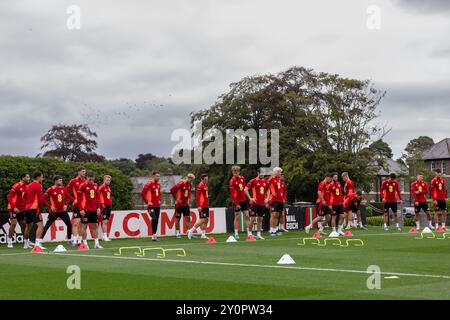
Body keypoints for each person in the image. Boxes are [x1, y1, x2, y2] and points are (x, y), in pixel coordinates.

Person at [42, 176, 73, 243]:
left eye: (61, 180)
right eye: (59, 180)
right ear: (55, 181)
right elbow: (43, 199)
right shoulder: (50, 189)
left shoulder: (63, 189)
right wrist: (50, 207)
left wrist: (66, 205)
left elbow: (69, 197)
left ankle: (69, 239)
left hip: (62, 211)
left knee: (69, 225)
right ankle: (39, 241)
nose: (61, 182)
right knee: (47, 226)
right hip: (54, 211)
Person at [24, 171, 50, 250]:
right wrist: (49, 206)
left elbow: (25, 196)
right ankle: (37, 244)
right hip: (34, 208)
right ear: (38, 177)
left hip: (27, 208)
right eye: (42, 177)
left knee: (28, 227)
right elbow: (40, 198)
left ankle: (25, 244)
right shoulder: (38, 185)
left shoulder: (28, 185)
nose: (42, 178)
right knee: (40, 226)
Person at [78, 173, 103, 249]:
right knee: (84, 226)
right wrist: (81, 209)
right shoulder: (82, 185)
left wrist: (98, 207)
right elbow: (79, 199)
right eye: (89, 179)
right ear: (87, 178)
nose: (91, 181)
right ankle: (85, 244)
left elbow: (98, 198)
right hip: (85, 209)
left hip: (94, 209)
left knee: (95, 226)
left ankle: (96, 244)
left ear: (94, 178)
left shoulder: (96, 185)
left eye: (92, 179)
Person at [244, 168, 270, 240]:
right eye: (261, 173)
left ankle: (259, 234)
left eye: (263, 173)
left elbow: (268, 189)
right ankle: (249, 234)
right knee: (252, 219)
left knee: (260, 219)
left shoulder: (265, 181)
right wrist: (250, 198)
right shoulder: (253, 181)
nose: (263, 174)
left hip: (262, 203)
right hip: (255, 203)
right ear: (258, 173)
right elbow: (245, 189)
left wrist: (267, 198)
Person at [6, 173, 30, 248]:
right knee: (14, 223)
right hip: (13, 208)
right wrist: (14, 207)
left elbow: (26, 199)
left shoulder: (27, 187)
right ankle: (9, 241)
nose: (29, 178)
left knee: (23, 224)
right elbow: (9, 196)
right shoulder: (16, 185)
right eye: (27, 177)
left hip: (22, 209)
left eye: (29, 177)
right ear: (23, 178)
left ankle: (26, 242)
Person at [170, 174, 195, 239]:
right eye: (191, 180)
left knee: (188, 219)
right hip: (179, 205)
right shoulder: (181, 183)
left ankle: (189, 233)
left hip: (186, 205)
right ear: (189, 178)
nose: (192, 181)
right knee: (178, 219)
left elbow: (187, 194)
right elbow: (172, 190)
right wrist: (176, 199)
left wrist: (188, 201)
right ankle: (178, 233)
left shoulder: (190, 185)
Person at [229, 166, 250, 239]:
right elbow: (232, 194)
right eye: (234, 172)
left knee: (247, 216)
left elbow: (244, 189)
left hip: (243, 200)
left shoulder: (242, 178)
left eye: (237, 171)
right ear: (232, 172)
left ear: (239, 172)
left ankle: (249, 233)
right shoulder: (232, 181)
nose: (235, 173)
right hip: (237, 201)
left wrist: (248, 198)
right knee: (237, 217)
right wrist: (236, 203)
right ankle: (236, 233)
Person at [67, 167, 87, 245]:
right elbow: (66, 191)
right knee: (76, 223)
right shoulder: (73, 181)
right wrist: (73, 199)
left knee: (83, 224)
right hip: (77, 205)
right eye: (83, 171)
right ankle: (74, 240)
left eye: (85, 172)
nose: (84, 173)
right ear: (78, 172)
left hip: (85, 206)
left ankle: (79, 240)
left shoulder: (86, 181)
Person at [140, 171, 162, 242]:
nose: (158, 177)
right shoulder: (149, 184)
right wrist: (147, 202)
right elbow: (142, 193)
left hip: (157, 205)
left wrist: (159, 200)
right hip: (151, 206)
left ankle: (154, 235)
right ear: (153, 176)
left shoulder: (158, 184)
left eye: (159, 176)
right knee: (154, 219)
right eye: (157, 176)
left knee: (156, 220)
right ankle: (153, 236)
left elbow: (159, 194)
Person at [188, 174, 210, 240]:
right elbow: (197, 197)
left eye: (207, 179)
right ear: (201, 179)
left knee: (206, 219)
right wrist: (199, 206)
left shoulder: (205, 185)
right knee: (202, 219)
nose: (206, 180)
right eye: (205, 179)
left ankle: (203, 234)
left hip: (206, 205)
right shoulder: (200, 186)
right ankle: (191, 231)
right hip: (202, 205)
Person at [268, 167, 284, 237]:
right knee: (273, 215)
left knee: (277, 215)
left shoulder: (279, 180)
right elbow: (267, 186)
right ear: (276, 172)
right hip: (274, 200)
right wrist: (271, 194)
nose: (280, 173)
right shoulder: (272, 178)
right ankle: (271, 230)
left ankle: (275, 229)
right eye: (279, 172)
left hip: (279, 199)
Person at [99, 175, 113, 242]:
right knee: (104, 221)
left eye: (109, 180)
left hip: (108, 206)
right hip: (104, 206)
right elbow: (97, 194)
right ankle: (105, 236)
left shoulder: (108, 188)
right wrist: (101, 204)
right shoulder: (102, 187)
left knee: (106, 221)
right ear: (104, 180)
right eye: (107, 180)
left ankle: (104, 236)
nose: (108, 181)